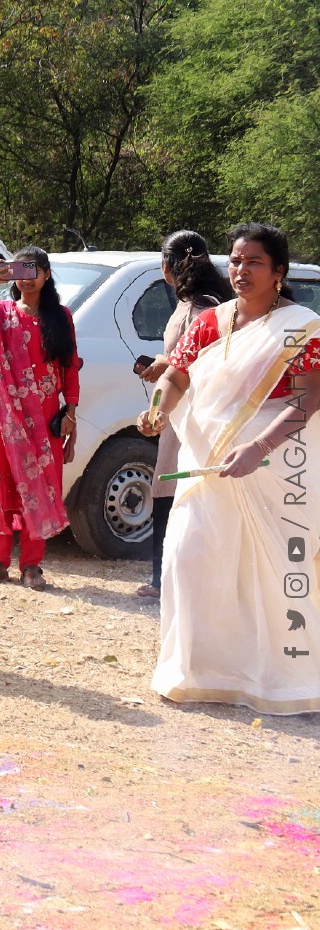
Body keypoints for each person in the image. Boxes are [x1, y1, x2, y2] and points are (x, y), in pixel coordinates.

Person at [141, 222, 319, 714]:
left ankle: (275, 677)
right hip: (205, 463)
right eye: (236, 261)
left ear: (278, 272)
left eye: (254, 262)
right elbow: (176, 375)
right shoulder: (211, 321)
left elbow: (309, 398)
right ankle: (198, 672)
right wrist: (157, 409)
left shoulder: (301, 327)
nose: (241, 270)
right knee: (191, 557)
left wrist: (259, 447)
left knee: (268, 572)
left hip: (274, 466)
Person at [0, 247, 80, 591]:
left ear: (46, 274)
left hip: (44, 418)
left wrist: (71, 412)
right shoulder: (0, 312)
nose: (27, 279)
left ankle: (31, 565)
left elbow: (70, 367)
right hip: (3, 420)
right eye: (20, 271)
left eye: (33, 271)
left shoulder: (60, 316)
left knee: (39, 488)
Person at [134, 231, 233, 600]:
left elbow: (190, 365)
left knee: (173, 490)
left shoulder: (197, 309)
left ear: (166, 269)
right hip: (199, 412)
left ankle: (165, 579)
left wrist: (166, 367)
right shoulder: (219, 304)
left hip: (190, 414)